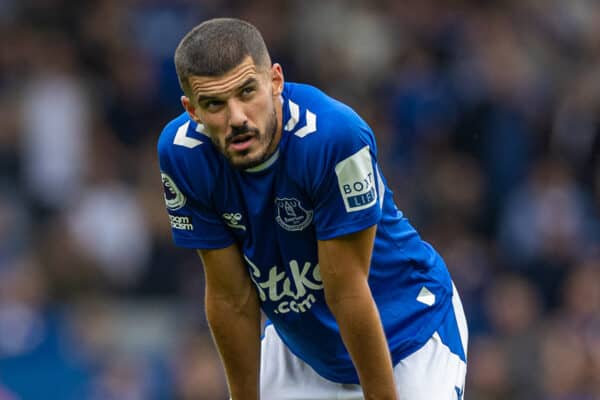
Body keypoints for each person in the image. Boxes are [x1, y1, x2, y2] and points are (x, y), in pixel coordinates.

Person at [157, 17, 468, 400]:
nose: (236, 117)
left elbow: (348, 293)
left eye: (247, 92)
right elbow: (230, 297)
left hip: (407, 335)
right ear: (192, 110)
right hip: (302, 349)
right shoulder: (182, 154)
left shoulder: (334, 138)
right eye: (215, 104)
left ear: (275, 81)